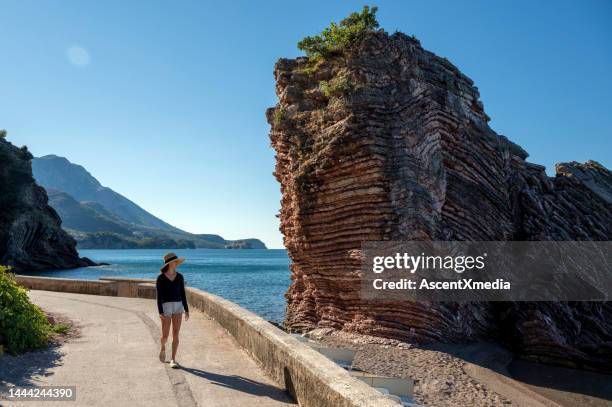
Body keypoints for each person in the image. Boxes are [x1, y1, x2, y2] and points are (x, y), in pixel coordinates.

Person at [156, 252, 189, 368]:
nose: (176, 263)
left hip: (178, 306)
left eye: (177, 262)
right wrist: (160, 312)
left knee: (176, 333)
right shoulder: (160, 278)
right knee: (165, 335)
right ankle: (163, 347)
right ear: (170, 263)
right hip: (166, 307)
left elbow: (183, 293)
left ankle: (173, 359)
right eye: (175, 262)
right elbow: (159, 296)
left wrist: (186, 309)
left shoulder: (180, 277)